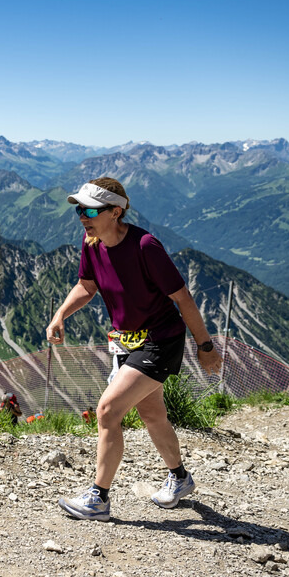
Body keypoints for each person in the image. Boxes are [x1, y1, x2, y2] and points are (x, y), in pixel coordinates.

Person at [47, 177, 222, 521]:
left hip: (160, 340)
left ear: (116, 211)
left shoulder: (145, 246)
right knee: (152, 414)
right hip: (126, 341)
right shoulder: (92, 242)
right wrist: (60, 315)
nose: (82, 215)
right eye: (79, 209)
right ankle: (180, 478)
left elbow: (182, 298)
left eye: (91, 210)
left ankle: (98, 499)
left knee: (109, 410)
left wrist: (205, 346)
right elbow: (87, 284)